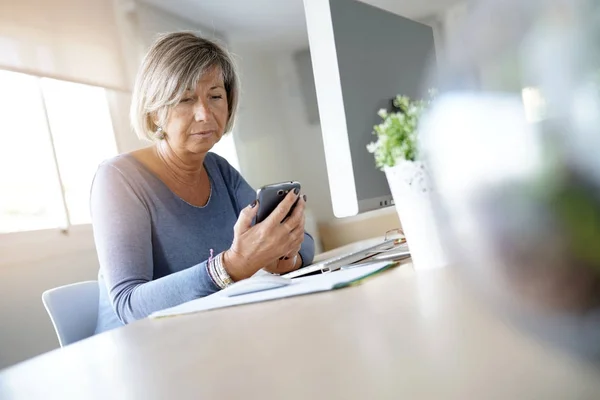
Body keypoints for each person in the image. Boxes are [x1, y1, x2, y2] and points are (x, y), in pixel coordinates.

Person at [91, 32, 314, 334]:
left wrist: (285, 255)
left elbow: (307, 246)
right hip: (138, 353)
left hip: (209, 335)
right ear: (155, 112)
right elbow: (129, 305)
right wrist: (232, 265)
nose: (205, 114)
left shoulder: (219, 170)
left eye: (215, 96)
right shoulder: (118, 178)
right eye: (185, 99)